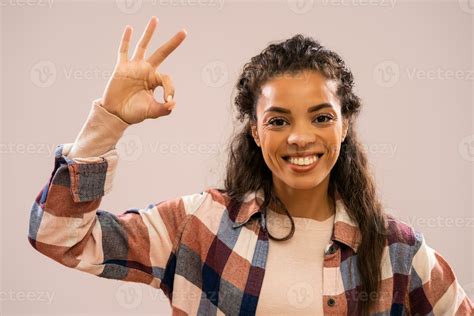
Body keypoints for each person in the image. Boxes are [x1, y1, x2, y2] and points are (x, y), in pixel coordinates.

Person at [28, 16, 473, 316]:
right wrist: (107, 121)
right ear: (257, 133)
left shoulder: (399, 253)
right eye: (279, 121)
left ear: (344, 126)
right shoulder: (198, 225)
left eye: (321, 117)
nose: (300, 137)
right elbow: (59, 238)